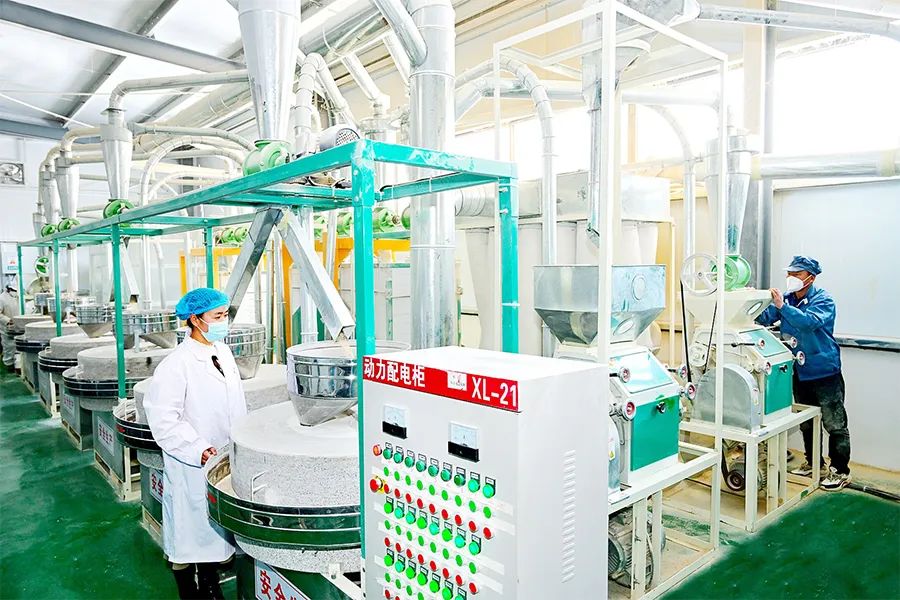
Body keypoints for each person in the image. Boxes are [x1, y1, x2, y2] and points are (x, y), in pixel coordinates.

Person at [144, 288, 247, 599]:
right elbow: (164, 420)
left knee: (214, 531)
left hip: (224, 457)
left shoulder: (222, 352)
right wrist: (198, 448)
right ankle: (188, 590)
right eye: (217, 316)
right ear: (195, 319)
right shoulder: (176, 365)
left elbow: (234, 404)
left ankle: (211, 582)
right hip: (192, 461)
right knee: (189, 534)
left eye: (225, 315)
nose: (223, 321)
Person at [757, 255, 850, 491]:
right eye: (789, 273)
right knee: (807, 422)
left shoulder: (823, 300)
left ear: (811, 277)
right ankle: (814, 463)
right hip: (799, 371)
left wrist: (782, 307)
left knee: (834, 423)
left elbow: (809, 322)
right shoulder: (788, 299)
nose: (791, 278)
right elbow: (764, 317)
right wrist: (752, 302)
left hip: (824, 371)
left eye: (797, 274)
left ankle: (840, 471)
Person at [0, 280, 21, 371]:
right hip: (7, 328)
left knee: (19, 348)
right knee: (9, 347)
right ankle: (9, 365)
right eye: (13, 290)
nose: (14, 292)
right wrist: (8, 320)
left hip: (20, 327)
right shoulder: (2, 298)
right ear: (8, 289)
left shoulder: (20, 297)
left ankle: (19, 366)